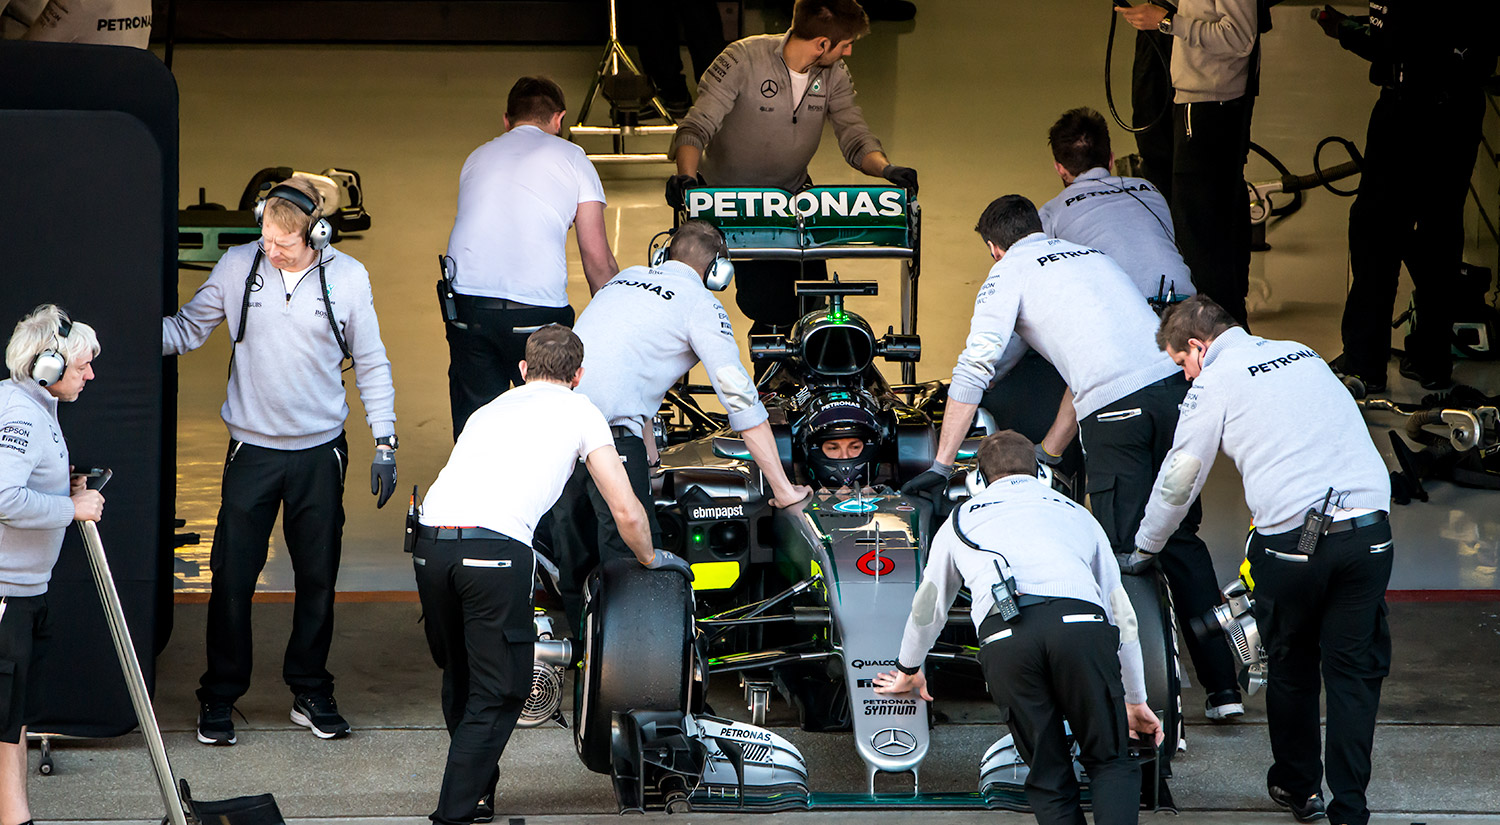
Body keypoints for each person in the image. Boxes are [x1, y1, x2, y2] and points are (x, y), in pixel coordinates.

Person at [906, 195, 1244, 722]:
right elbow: (1085, 369)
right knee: (1178, 538)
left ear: (994, 248)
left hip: (1120, 412)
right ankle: (1224, 691)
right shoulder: (1092, 257)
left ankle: (1148, 710)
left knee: (1122, 552)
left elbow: (975, 367)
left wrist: (941, 465)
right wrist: (1050, 451)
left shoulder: (1008, 272)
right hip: (1175, 393)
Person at [1127, 295, 1393, 825]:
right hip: (1370, 534)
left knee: (1291, 664)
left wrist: (1146, 546)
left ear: (1199, 347)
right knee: (1353, 674)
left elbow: (1181, 477)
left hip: (1294, 543)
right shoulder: (1303, 353)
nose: (1185, 375)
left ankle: (1300, 788)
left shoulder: (1214, 382)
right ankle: (1351, 810)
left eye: (1182, 362)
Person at [413, 325, 688, 825]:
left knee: (462, 674)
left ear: (523, 369)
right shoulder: (582, 411)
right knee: (501, 688)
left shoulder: (489, 409)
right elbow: (625, 510)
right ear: (579, 375)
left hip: (430, 545)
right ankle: (452, 813)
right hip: (494, 550)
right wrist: (651, 559)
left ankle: (478, 792)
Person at [164, 177, 399, 746]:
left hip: (320, 451)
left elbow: (371, 360)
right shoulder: (237, 265)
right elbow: (187, 330)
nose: (270, 251)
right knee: (232, 577)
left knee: (318, 578)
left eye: (283, 244)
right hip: (252, 450)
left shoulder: (348, 277)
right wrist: (113, 334)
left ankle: (310, 690)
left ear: (316, 235)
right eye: (265, 238)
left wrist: (385, 440)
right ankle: (220, 694)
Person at [875, 430, 1163, 825]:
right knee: (1111, 760)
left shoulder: (959, 520)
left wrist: (908, 668)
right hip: (1081, 627)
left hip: (1006, 638)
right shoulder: (1079, 514)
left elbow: (928, 607)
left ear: (977, 480)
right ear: (1041, 473)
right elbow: (1122, 614)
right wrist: (1135, 699)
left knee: (1049, 774)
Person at [554, 220, 813, 628]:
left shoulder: (623, 280)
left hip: (557, 428)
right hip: (609, 441)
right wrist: (783, 490)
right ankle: (637, 661)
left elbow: (621, 364)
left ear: (663, 256)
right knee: (634, 564)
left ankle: (583, 651)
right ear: (719, 271)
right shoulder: (701, 304)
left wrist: (650, 455)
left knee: (574, 557)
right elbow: (741, 401)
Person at [666, 0, 918, 343]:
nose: (849, 52)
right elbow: (696, 127)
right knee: (770, 305)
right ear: (822, 44)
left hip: (793, 195)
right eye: (846, 44)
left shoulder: (834, 74)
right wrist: (686, 178)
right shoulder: (741, 59)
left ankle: (800, 368)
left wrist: (887, 169)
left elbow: (855, 136)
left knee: (813, 299)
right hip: (732, 200)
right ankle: (770, 370)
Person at [1318, 1, 1500, 392]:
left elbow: (1389, 43)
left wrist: (1342, 29)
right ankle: (1432, 359)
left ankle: (1364, 364)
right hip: (1461, 111)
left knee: (1376, 234)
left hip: (1409, 111)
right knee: (1440, 231)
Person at [443, 76, 619, 437]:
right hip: (537, 314)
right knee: (548, 427)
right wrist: (618, 320)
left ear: (507, 120)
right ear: (559, 119)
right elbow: (597, 260)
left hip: (468, 310)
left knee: (477, 430)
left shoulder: (476, 157)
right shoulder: (573, 158)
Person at [0, 305, 103, 825]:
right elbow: (3, 497)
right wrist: (70, 508)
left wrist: (63, 487)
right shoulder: (20, 414)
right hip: (7, 598)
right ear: (47, 367)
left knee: (12, 722)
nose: (90, 374)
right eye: (82, 365)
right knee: (3, 725)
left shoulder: (35, 406)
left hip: (23, 593)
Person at [1117, 0, 1259, 327]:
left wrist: (1168, 21)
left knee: (1203, 230)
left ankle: (1219, 330)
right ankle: (1211, 325)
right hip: (1194, 96)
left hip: (1210, 101)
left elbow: (1240, 37)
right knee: (1197, 223)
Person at [1040, 107, 1194, 308]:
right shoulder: (1150, 190)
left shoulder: (1051, 211)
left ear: (1060, 168)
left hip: (1122, 311)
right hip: (1185, 307)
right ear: (1111, 160)